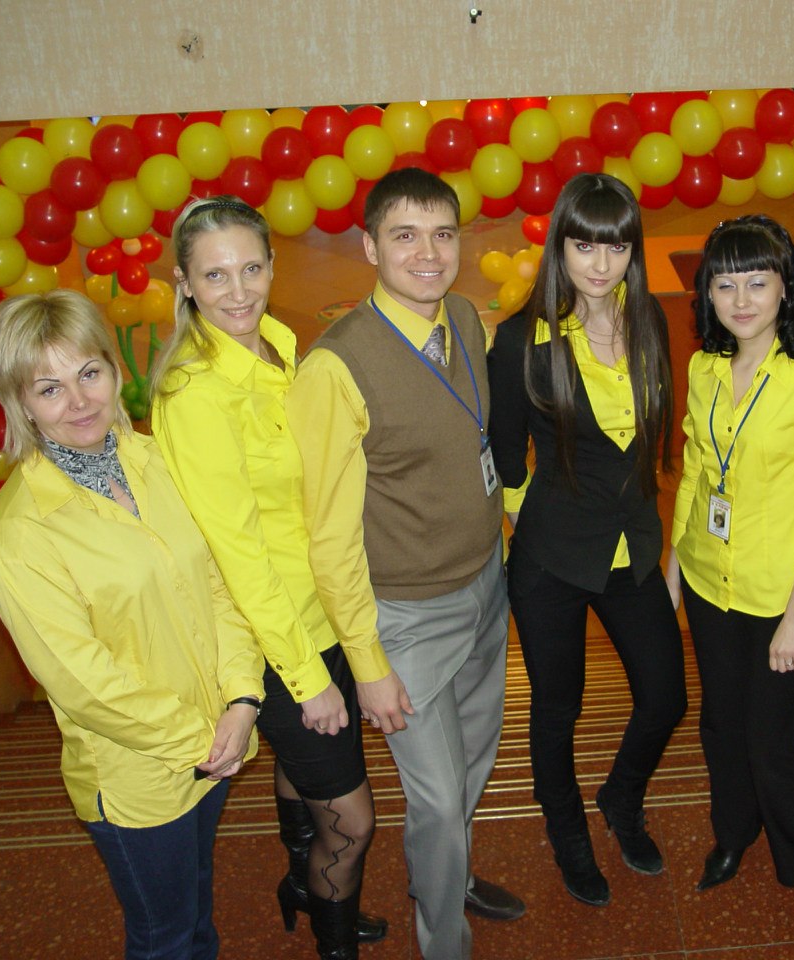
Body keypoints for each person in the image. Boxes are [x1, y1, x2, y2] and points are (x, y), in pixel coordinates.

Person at [286, 167, 524, 960]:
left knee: (473, 766)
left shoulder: (465, 318)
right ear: (370, 247)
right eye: (405, 236)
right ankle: (443, 940)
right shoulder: (336, 367)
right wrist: (368, 664)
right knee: (438, 799)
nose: (428, 253)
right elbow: (328, 537)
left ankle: (447, 877)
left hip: (484, 585)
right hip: (406, 618)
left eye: (442, 234)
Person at [0, 290, 264, 960]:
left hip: (219, 737)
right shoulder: (20, 534)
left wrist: (242, 697)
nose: (79, 401)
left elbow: (217, 585)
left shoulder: (154, 459)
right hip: (138, 777)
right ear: (20, 403)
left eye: (89, 373)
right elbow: (84, 683)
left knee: (197, 908)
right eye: (49, 388)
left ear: (114, 368)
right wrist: (203, 738)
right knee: (163, 936)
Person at [149, 196, 390, 959]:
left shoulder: (281, 346)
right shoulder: (195, 394)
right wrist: (306, 679)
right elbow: (239, 557)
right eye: (215, 275)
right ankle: (334, 941)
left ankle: (305, 888)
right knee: (354, 821)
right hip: (274, 639)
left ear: (272, 266)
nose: (238, 291)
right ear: (184, 283)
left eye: (251, 268)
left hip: (323, 610)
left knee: (306, 779)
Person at [488, 173, 687, 907]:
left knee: (665, 696)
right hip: (551, 559)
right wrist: (533, 525)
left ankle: (621, 796)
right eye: (584, 245)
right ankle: (567, 830)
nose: (600, 263)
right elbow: (506, 456)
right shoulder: (522, 339)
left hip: (632, 546)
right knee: (557, 708)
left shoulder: (648, 318)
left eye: (616, 246)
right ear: (559, 248)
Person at [665, 215, 794, 922]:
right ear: (707, 294)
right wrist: (675, 563)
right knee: (720, 723)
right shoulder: (705, 367)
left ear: (785, 287)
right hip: (708, 577)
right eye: (724, 284)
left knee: (770, 737)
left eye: (757, 281)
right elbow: (696, 469)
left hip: (780, 592)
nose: (741, 299)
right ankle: (732, 835)